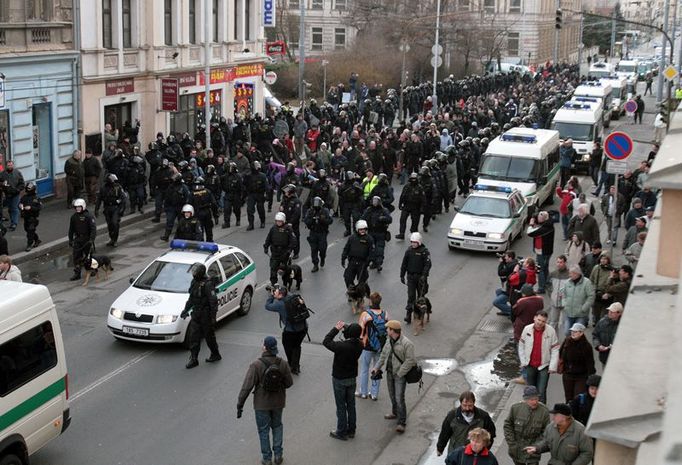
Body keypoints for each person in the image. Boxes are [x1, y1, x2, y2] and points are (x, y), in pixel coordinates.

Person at [237, 336, 294, 465]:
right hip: (278, 402)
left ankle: (267, 458)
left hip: (261, 404)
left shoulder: (256, 365)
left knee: (263, 430)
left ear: (265, 348)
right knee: (277, 427)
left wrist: (240, 403)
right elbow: (289, 383)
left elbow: (247, 387)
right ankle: (278, 455)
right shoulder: (282, 363)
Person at [372, 320, 416, 433]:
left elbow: (410, 360)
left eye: (388, 329)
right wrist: (377, 367)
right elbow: (383, 355)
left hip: (399, 375)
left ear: (393, 330)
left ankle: (401, 422)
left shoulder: (407, 343)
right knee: (392, 395)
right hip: (389, 372)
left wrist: (400, 373)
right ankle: (395, 412)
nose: (386, 330)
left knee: (399, 398)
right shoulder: (388, 340)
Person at [323, 321, 364, 441]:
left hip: (339, 379)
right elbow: (354, 335)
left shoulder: (341, 347)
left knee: (341, 406)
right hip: (351, 378)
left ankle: (341, 431)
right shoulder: (360, 344)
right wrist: (348, 329)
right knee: (351, 405)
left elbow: (326, 341)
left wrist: (336, 329)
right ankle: (352, 429)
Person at [180, 263, 221, 368]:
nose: (193, 274)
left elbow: (213, 301)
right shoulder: (194, 282)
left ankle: (215, 354)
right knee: (193, 336)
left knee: (209, 336)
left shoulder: (207, 284)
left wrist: (213, 317)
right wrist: (185, 310)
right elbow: (191, 299)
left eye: (195, 272)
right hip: (196, 314)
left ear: (200, 273)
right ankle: (194, 359)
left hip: (206, 315)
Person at [524, 403, 593, 465]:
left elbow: (587, 453)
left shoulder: (581, 431)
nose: (553, 417)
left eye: (555, 415)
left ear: (564, 417)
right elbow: (546, 442)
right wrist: (537, 448)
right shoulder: (550, 427)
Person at [436, 390, 497, 457]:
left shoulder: (483, 416)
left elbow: (491, 435)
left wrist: (484, 450)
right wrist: (440, 448)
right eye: (464, 405)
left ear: (474, 403)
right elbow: (444, 434)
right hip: (456, 454)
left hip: (475, 454)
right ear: (460, 403)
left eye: (470, 405)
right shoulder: (452, 416)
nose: (467, 408)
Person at [265, 285, 307, 375]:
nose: (274, 293)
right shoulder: (292, 297)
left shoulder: (279, 304)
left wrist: (271, 296)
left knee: (288, 346)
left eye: (276, 292)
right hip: (303, 327)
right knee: (297, 346)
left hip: (291, 330)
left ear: (280, 295)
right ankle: (296, 366)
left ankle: (292, 365)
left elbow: (267, 306)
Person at [519, 310, 559, 404]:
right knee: (530, 391)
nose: (540, 323)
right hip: (530, 365)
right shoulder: (527, 329)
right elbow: (521, 345)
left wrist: (552, 366)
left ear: (546, 322)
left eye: (543, 321)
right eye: (539, 320)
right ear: (534, 318)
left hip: (544, 366)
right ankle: (530, 409)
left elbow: (555, 349)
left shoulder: (551, 331)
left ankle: (542, 412)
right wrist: (523, 361)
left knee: (541, 391)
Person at [503, 386, 550, 465]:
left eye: (536, 399)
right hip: (517, 449)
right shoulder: (515, 408)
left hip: (533, 450)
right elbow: (508, 426)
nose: (535, 402)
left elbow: (546, 432)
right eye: (532, 400)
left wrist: (536, 447)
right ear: (525, 399)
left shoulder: (544, 411)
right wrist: (512, 444)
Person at [356, 291, 388, 400]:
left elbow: (360, 330)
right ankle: (374, 394)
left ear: (370, 301)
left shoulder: (366, 314)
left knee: (365, 369)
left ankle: (363, 392)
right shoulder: (385, 314)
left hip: (367, 346)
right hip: (380, 346)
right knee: (376, 369)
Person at [558, 323, 595, 402]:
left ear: (581, 333)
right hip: (568, 374)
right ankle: (568, 413)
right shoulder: (567, 341)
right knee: (568, 398)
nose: (573, 333)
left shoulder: (586, 346)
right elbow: (560, 354)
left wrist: (591, 378)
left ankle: (576, 414)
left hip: (581, 376)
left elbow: (590, 363)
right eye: (572, 331)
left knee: (577, 397)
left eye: (575, 331)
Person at [400, 232, 431, 324]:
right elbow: (404, 263)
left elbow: (428, 264)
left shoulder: (424, 251)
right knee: (411, 296)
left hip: (420, 278)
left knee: (421, 297)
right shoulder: (409, 251)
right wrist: (402, 275)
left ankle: (420, 315)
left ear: (419, 242)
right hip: (411, 277)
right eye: (412, 242)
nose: (413, 244)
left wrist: (424, 276)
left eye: (415, 242)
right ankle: (408, 315)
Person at [264, 212, 297, 286]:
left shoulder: (288, 229)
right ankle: (274, 284)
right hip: (275, 252)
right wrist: (266, 246)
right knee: (273, 269)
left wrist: (289, 250)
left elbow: (293, 241)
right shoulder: (273, 229)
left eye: (280, 221)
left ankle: (286, 284)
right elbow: (268, 238)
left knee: (286, 270)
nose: (278, 223)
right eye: (277, 221)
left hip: (284, 253)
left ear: (283, 221)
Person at [68, 198, 97, 281]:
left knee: (89, 256)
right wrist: (70, 239)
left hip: (87, 239)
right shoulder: (73, 217)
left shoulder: (89, 216)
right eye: (76, 207)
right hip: (78, 239)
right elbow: (71, 229)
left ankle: (93, 269)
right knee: (76, 257)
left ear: (83, 206)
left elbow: (93, 229)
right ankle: (77, 273)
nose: (77, 208)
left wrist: (91, 240)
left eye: (79, 207)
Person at [561, 265, 595, 336]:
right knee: (567, 332)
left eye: (571, 273)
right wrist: (564, 304)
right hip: (568, 312)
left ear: (576, 273)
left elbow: (591, 296)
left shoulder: (587, 282)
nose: (569, 275)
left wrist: (584, 308)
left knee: (577, 334)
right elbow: (563, 294)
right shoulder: (567, 282)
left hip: (581, 314)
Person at [362, 195, 393, 272]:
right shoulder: (369, 210)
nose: (375, 203)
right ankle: (374, 262)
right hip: (371, 232)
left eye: (376, 201)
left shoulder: (384, 210)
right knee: (371, 248)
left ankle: (378, 263)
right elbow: (362, 218)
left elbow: (389, 219)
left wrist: (382, 218)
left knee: (379, 248)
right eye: (374, 201)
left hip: (380, 232)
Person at [341, 219, 374, 290]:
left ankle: (364, 294)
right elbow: (346, 248)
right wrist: (343, 258)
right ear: (357, 229)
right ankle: (352, 292)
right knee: (347, 277)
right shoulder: (352, 238)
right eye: (361, 229)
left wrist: (368, 262)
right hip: (352, 261)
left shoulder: (369, 239)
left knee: (362, 281)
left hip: (363, 263)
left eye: (364, 229)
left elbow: (371, 252)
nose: (363, 231)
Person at [527, 211, 555, 294]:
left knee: (540, 269)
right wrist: (534, 217)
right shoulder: (549, 224)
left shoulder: (545, 228)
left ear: (543, 219)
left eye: (539, 218)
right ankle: (547, 282)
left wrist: (531, 225)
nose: (537, 219)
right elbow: (535, 214)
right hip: (547, 251)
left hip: (542, 252)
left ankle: (541, 288)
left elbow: (530, 233)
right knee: (545, 267)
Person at [95, 173, 126, 248]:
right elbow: (99, 199)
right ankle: (112, 238)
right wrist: (96, 209)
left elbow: (123, 198)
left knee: (115, 223)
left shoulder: (118, 187)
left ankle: (115, 240)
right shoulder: (103, 188)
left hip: (115, 208)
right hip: (107, 208)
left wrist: (122, 209)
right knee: (110, 225)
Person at [303, 196, 333, 272]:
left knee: (322, 248)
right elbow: (306, 221)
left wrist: (323, 219)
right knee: (314, 249)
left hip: (322, 232)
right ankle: (315, 264)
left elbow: (330, 220)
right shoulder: (310, 211)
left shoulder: (325, 211)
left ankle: (322, 258)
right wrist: (312, 219)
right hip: (313, 232)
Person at [161, 173, 190, 241]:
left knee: (181, 222)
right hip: (171, 207)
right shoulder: (170, 186)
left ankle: (181, 236)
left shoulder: (184, 187)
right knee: (169, 221)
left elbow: (187, 197)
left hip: (180, 207)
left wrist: (186, 207)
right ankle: (166, 236)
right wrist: (166, 206)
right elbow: (167, 196)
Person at [396, 172, 425, 239]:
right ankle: (401, 233)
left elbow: (423, 199)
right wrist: (400, 204)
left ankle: (413, 233)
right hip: (406, 205)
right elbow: (402, 195)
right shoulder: (407, 186)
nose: (413, 180)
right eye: (412, 179)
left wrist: (422, 208)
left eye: (415, 179)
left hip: (416, 207)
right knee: (402, 219)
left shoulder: (420, 187)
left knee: (415, 221)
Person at [592, 302, 622, 366]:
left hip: (619, 359)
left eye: (612, 311)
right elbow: (595, 335)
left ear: (619, 313)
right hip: (605, 357)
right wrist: (598, 345)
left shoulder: (624, 325)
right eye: (609, 311)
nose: (609, 313)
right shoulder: (602, 322)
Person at [190, 177, 218, 242]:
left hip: (197, 213)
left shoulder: (192, 193)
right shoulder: (208, 191)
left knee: (199, 229)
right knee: (208, 229)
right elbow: (214, 204)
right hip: (207, 212)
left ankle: (202, 243)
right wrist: (215, 214)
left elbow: (189, 204)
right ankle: (209, 241)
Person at [589, 252, 613, 325]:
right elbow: (591, 280)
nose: (603, 260)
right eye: (602, 258)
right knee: (596, 314)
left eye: (605, 259)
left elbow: (613, 284)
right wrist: (593, 290)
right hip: (596, 294)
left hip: (606, 295)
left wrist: (608, 294)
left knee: (603, 316)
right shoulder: (596, 268)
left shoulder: (611, 271)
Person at [0, 160, 25, 231]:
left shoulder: (17, 173)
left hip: (15, 194)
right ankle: (12, 222)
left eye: (11, 165)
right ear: (6, 166)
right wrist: (2, 184)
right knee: (10, 209)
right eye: (8, 165)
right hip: (7, 194)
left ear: (13, 165)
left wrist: (17, 190)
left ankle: (14, 224)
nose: (10, 166)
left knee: (14, 208)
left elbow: (22, 184)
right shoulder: (2, 174)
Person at [279, 185, 302, 259]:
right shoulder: (285, 199)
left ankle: (296, 253)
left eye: (287, 191)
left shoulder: (296, 201)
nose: (285, 193)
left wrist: (291, 222)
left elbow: (296, 213)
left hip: (293, 224)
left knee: (294, 238)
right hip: (284, 222)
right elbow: (281, 208)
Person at [245, 161, 269, 230]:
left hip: (260, 194)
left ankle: (262, 222)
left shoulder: (262, 176)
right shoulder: (248, 176)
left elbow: (266, 186)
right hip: (251, 194)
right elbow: (245, 185)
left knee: (260, 208)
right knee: (249, 209)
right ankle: (251, 224)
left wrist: (267, 194)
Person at [19, 182, 42, 252]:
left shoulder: (36, 198)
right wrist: (20, 206)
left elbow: (39, 207)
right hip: (26, 218)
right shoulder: (24, 197)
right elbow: (20, 204)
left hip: (33, 218)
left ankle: (29, 245)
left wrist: (31, 208)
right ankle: (37, 240)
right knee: (28, 230)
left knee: (30, 230)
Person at [221, 162, 244, 228]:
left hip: (236, 195)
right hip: (228, 194)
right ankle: (227, 222)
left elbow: (241, 187)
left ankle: (238, 219)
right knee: (226, 209)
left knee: (236, 209)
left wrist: (241, 196)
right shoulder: (224, 176)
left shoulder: (238, 176)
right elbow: (222, 185)